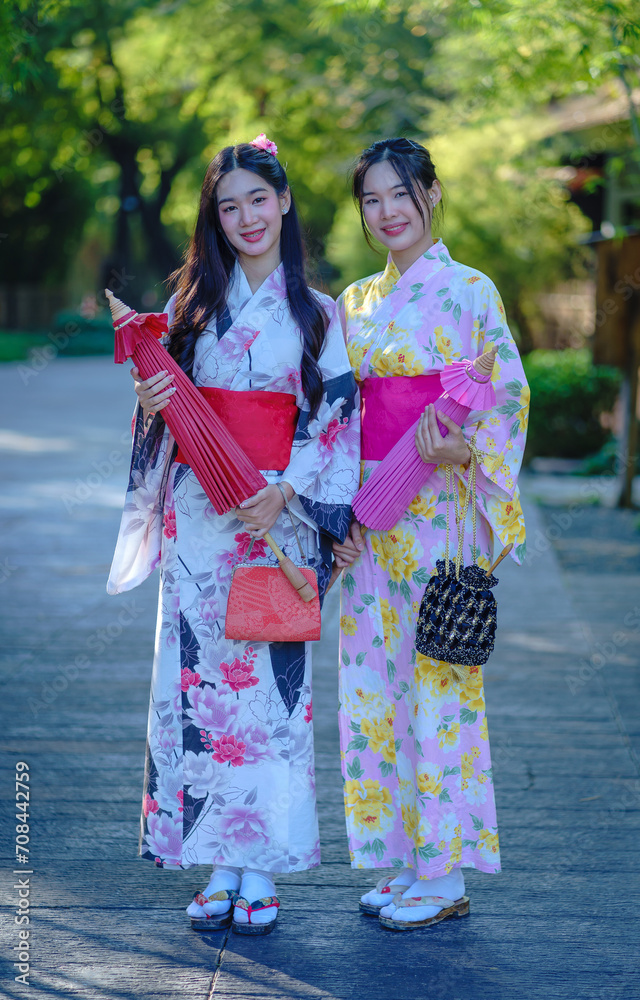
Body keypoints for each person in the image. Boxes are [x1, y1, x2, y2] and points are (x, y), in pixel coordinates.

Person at [107, 135, 359, 935]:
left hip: (276, 521)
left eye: (260, 199)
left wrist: (285, 489)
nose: (247, 217)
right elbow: (166, 414)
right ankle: (219, 862)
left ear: (285, 203)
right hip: (200, 524)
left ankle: (265, 868)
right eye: (229, 206)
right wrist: (153, 405)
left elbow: (335, 419)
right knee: (200, 691)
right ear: (213, 220)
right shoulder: (191, 312)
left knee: (274, 701)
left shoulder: (320, 315)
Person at [332, 137, 529, 931]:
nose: (387, 211)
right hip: (371, 516)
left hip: (439, 516)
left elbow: (505, 399)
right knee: (375, 691)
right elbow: (339, 419)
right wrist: (334, 516)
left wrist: (465, 451)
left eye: (400, 193)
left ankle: (445, 874)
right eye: (371, 198)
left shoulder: (470, 291)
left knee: (439, 687)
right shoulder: (353, 303)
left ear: (431, 194)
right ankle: (410, 859)